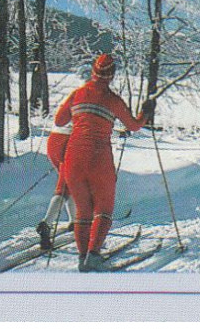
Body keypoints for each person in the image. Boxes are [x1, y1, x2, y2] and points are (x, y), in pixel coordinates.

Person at [54, 54, 151, 272]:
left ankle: (82, 258)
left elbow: (59, 120)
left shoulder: (77, 94)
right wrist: (145, 112)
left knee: (83, 211)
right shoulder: (113, 100)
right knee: (104, 209)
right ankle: (94, 255)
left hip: (73, 158)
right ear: (112, 75)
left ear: (92, 71)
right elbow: (134, 126)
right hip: (99, 158)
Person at [36, 125, 73, 253]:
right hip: (70, 142)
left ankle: (74, 221)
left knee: (69, 181)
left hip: (54, 140)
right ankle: (46, 224)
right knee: (65, 185)